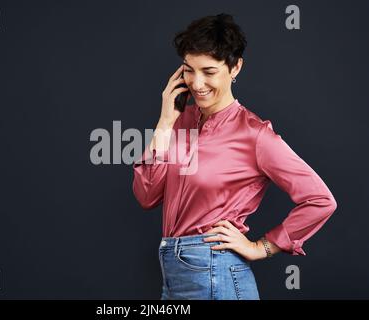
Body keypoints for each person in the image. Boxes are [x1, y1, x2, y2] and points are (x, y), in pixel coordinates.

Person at [132, 13, 337, 300]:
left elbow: (320, 201)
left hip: (217, 275)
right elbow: (146, 196)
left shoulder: (255, 135)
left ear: (235, 67)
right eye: (188, 70)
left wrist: (261, 247)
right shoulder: (179, 120)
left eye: (209, 71)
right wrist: (165, 122)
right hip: (173, 277)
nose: (197, 83)